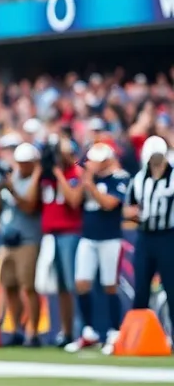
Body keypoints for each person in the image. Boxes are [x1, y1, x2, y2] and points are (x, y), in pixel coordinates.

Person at [65, 143, 132, 353]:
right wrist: (84, 181)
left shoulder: (119, 178)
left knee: (110, 285)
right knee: (81, 283)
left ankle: (114, 331)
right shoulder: (88, 178)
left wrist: (90, 185)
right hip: (88, 236)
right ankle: (88, 331)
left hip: (110, 237)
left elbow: (109, 203)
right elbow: (74, 201)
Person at [123, 135, 174, 351]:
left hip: (168, 236)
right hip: (145, 236)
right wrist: (133, 213)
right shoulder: (139, 179)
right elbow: (128, 207)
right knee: (141, 289)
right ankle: (136, 340)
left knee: (171, 288)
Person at [0, 144, 42, 347]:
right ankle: (17, 329)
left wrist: (11, 188)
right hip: (7, 241)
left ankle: (33, 332)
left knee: (28, 287)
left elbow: (29, 206)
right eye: (20, 163)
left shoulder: (35, 180)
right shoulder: (13, 177)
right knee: (9, 286)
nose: (22, 166)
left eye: (26, 163)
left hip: (28, 240)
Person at [38, 136, 83, 347]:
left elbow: (73, 200)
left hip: (69, 233)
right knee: (61, 287)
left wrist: (58, 174)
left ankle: (81, 330)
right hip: (51, 234)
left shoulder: (74, 172)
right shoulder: (45, 175)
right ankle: (66, 332)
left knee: (73, 284)